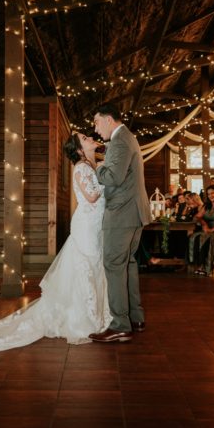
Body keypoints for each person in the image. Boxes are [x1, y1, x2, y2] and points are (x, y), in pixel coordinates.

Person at [0, 133, 112, 352]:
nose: (90, 137)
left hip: (96, 225)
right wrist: (108, 183)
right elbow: (91, 197)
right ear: (80, 149)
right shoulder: (81, 167)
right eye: (84, 137)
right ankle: (82, 319)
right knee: (86, 267)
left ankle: (97, 313)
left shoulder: (93, 164)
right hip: (86, 226)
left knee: (95, 266)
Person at [90, 105, 151, 343]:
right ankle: (136, 318)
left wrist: (97, 165)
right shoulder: (128, 138)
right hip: (134, 213)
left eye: (96, 122)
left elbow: (112, 177)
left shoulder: (119, 141)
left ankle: (119, 325)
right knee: (128, 264)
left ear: (107, 119)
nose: (95, 128)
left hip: (122, 214)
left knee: (114, 265)